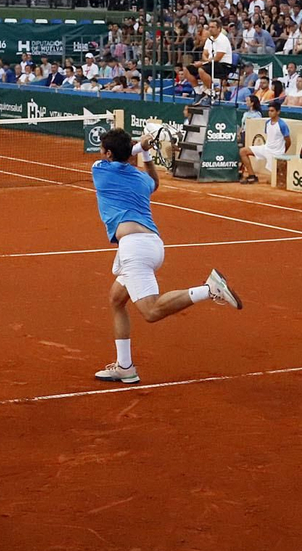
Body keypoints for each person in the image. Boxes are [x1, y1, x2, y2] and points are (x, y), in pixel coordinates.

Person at [90, 127, 242, 385]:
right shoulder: (140, 179)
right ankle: (125, 367)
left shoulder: (99, 170)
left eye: (102, 150)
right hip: (152, 244)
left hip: (134, 250)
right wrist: (146, 154)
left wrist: (141, 147)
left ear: (107, 153)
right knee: (117, 299)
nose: (99, 153)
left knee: (151, 311)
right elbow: (155, 182)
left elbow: (125, 154)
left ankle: (209, 289)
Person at [238, 101, 291, 184]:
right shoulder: (267, 123)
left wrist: (282, 153)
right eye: (269, 111)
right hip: (266, 148)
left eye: (272, 111)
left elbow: (288, 141)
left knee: (271, 181)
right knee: (243, 151)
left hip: (276, 153)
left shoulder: (282, 125)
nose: (270, 113)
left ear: (278, 112)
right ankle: (252, 176)